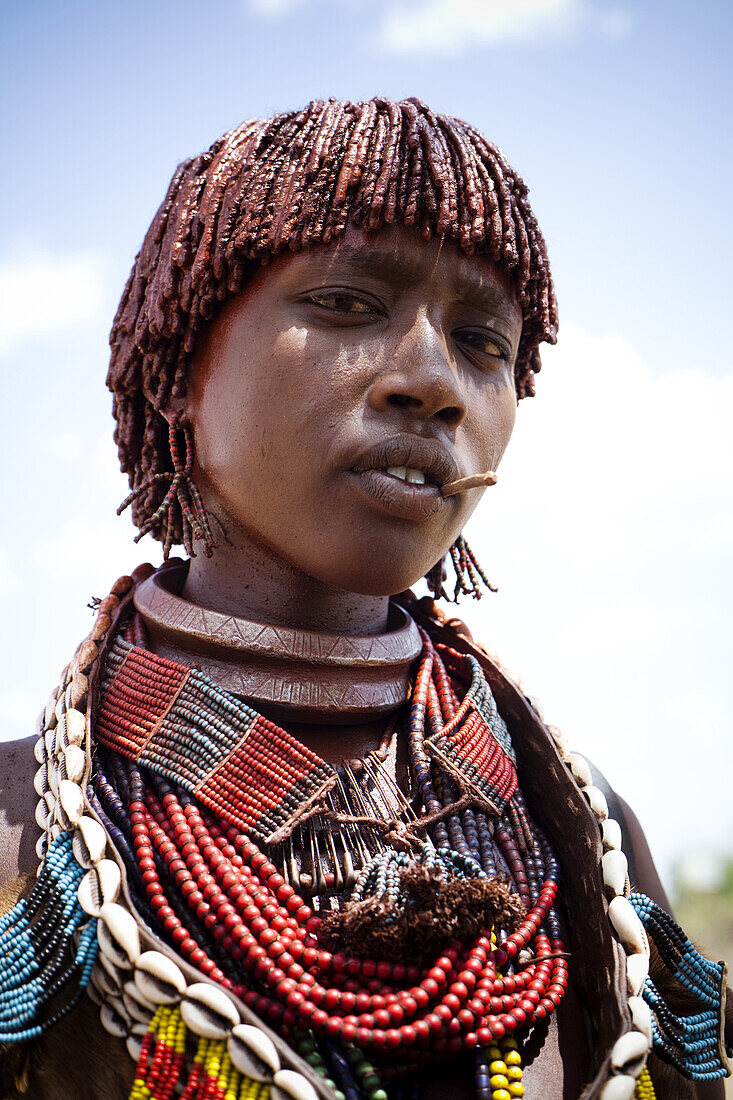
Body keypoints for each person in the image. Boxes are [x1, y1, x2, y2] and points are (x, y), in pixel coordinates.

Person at [0, 97, 729, 1100]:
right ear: (179, 366)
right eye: (346, 303)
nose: (431, 381)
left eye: (483, 342)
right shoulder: (25, 842)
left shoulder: (582, 826)